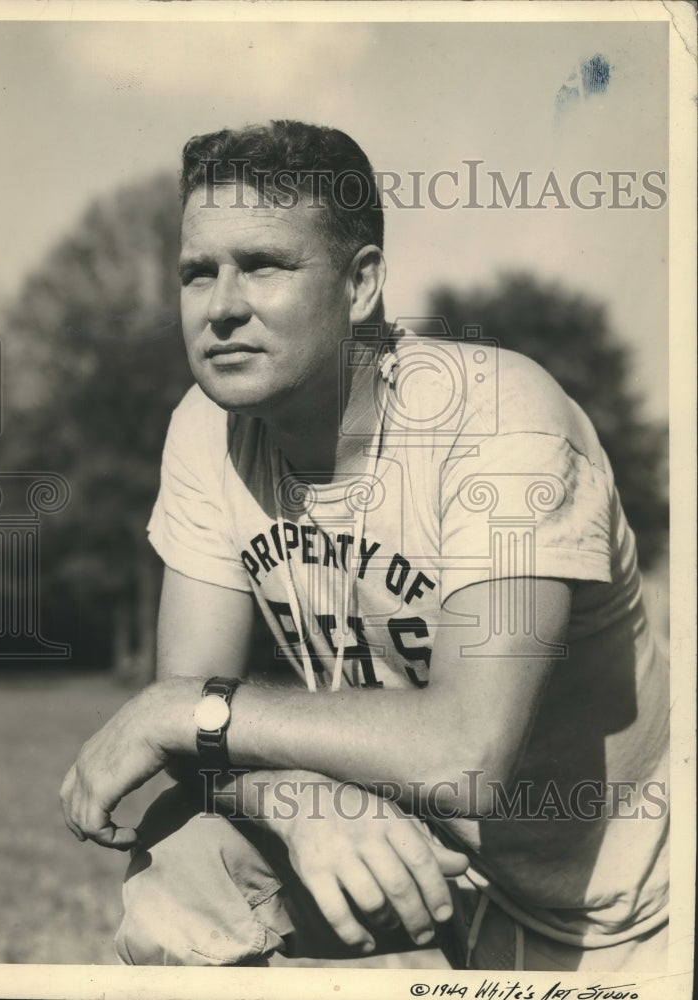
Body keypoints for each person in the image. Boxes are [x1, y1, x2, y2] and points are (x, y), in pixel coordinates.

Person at [60, 120, 669, 971]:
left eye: (265, 264)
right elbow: (194, 719)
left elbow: (466, 755)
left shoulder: (498, 421)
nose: (221, 304)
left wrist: (179, 710)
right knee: (184, 872)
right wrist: (294, 797)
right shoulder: (207, 430)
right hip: (430, 872)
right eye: (198, 272)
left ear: (361, 285)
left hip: (627, 916)